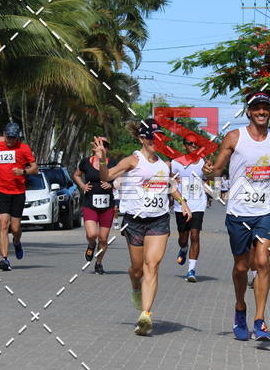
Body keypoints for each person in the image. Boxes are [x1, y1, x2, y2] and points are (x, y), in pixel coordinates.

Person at [204, 90, 270, 344]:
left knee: (263, 260)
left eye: (266, 107)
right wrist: (209, 170)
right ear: (249, 112)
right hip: (238, 211)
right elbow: (218, 168)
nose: (261, 112)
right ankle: (240, 308)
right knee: (241, 267)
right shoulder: (234, 137)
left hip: (266, 210)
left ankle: (260, 319)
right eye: (257, 108)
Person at [93, 119, 192, 336]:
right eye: (150, 137)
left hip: (158, 220)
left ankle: (145, 315)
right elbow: (106, 176)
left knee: (152, 265)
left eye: (158, 137)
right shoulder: (132, 161)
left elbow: (168, 185)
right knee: (137, 269)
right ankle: (135, 286)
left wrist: (183, 201)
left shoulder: (163, 164)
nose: (154, 141)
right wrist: (102, 161)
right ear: (141, 139)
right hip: (134, 221)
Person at [0, 122, 38, 272]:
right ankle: (4, 259)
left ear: (17, 137)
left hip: (18, 192)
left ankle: (17, 241)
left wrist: (23, 172)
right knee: (3, 224)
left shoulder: (24, 148)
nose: (10, 141)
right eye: (8, 137)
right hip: (1, 191)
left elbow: (35, 168)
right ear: (4, 135)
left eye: (13, 138)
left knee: (15, 228)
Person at [73, 138, 117, 274]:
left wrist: (112, 184)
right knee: (92, 234)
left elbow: (121, 179)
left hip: (107, 205)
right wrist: (82, 186)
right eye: (99, 145)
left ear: (107, 149)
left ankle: (99, 263)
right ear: (94, 148)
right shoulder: (86, 162)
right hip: (90, 203)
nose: (102, 147)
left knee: (103, 238)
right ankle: (91, 244)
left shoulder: (114, 163)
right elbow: (76, 175)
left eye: (105, 145)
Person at [171, 133, 207, 282]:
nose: (193, 146)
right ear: (184, 146)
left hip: (198, 203)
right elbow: (171, 183)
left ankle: (191, 270)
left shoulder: (203, 162)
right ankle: (183, 248)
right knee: (183, 238)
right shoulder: (176, 163)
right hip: (181, 205)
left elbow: (210, 178)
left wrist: (210, 174)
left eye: (195, 144)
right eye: (190, 144)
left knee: (195, 235)